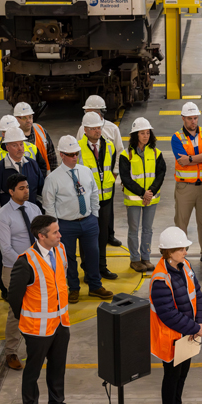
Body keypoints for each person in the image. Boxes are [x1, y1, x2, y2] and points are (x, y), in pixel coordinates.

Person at [8, 215, 83, 404]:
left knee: (57, 367)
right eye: (55, 232)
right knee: (32, 372)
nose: (60, 235)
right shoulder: (25, 262)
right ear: (41, 236)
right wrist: (27, 319)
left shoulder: (59, 250)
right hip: (37, 329)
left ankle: (56, 403)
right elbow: (14, 297)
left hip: (61, 323)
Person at [42, 135, 113, 303]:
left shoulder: (85, 171)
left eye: (77, 153)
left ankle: (95, 286)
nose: (75, 157)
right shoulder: (53, 179)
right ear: (62, 155)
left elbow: (94, 193)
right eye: (71, 154)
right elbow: (48, 204)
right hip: (66, 225)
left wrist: (94, 215)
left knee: (93, 254)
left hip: (88, 221)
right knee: (69, 258)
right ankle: (73, 288)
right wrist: (56, 227)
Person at [150, 227, 202, 404]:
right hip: (172, 338)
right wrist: (195, 327)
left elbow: (196, 294)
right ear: (169, 252)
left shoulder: (186, 266)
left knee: (182, 375)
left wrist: (201, 321)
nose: (186, 252)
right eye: (181, 249)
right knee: (172, 377)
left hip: (188, 335)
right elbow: (168, 314)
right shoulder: (160, 280)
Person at [0, 174, 42, 371]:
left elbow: (41, 237)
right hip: (14, 270)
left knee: (37, 307)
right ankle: (11, 351)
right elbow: (6, 250)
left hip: (36, 267)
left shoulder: (34, 208)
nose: (26, 191)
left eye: (27, 187)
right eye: (21, 188)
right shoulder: (3, 216)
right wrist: (28, 265)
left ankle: (36, 345)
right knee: (16, 311)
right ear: (11, 192)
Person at [170, 101, 202, 267]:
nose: (193, 121)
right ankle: (179, 256)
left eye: (195, 118)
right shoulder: (176, 138)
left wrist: (191, 158)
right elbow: (182, 161)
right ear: (183, 118)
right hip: (185, 188)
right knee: (181, 223)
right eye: (190, 118)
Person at [119, 117, 166, 272]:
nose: (146, 136)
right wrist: (142, 193)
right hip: (134, 199)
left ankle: (145, 257)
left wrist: (150, 192)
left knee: (147, 229)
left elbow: (161, 173)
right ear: (135, 135)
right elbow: (126, 178)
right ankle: (134, 259)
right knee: (134, 229)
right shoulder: (126, 155)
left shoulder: (156, 153)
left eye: (147, 133)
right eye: (142, 133)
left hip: (150, 199)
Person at [76, 95, 124, 245]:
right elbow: (79, 152)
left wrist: (114, 174)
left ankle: (109, 235)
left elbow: (119, 152)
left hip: (107, 179)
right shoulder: (82, 129)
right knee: (92, 211)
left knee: (108, 211)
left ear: (99, 112)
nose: (86, 114)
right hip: (90, 181)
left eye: (89, 111)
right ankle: (95, 237)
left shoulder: (112, 128)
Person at [79, 111, 119, 281]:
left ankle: (102, 267)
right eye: (94, 128)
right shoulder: (78, 148)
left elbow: (110, 167)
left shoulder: (109, 145)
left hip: (106, 199)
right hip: (88, 201)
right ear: (85, 130)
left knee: (102, 236)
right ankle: (89, 269)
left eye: (99, 128)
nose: (98, 131)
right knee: (88, 236)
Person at [0, 126, 46, 212]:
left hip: (32, 216)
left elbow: (41, 191)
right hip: (9, 219)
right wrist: (2, 217)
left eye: (21, 144)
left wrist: (38, 211)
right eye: (15, 145)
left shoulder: (33, 165)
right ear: (7, 148)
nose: (20, 148)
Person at [14, 101, 56, 173]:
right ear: (16, 119)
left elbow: (51, 155)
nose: (28, 120)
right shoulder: (11, 136)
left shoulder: (40, 130)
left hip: (43, 177)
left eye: (30, 117)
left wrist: (54, 174)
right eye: (24, 118)